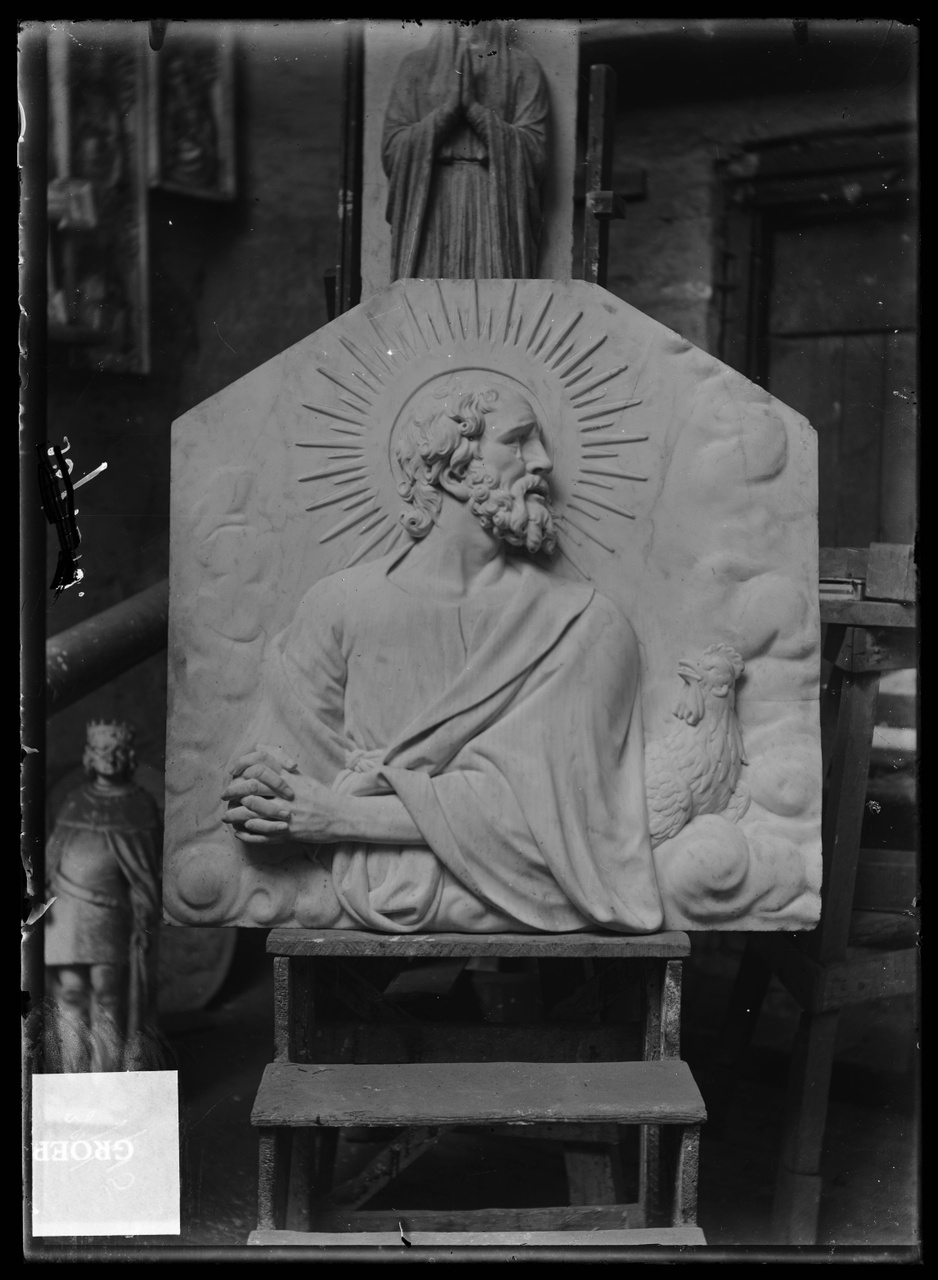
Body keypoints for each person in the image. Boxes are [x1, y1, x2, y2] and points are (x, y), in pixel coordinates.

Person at [221, 379, 663, 934]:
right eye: (518, 441)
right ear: (453, 475)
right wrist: (264, 795)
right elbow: (265, 804)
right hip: (380, 904)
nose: (544, 462)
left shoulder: (587, 627)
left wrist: (341, 816)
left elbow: (566, 822)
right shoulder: (340, 607)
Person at [382, 22, 549, 279]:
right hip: (432, 200)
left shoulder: (523, 67)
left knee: (496, 297)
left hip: (494, 200)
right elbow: (393, 149)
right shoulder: (415, 66)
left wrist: (474, 110)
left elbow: (535, 151)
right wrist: (447, 113)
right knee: (427, 297)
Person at [45, 722, 162, 1065]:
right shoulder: (75, 801)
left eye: (116, 751)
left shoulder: (140, 804)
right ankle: (72, 1076)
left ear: (128, 757)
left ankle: (106, 1077)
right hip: (66, 909)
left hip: (109, 913)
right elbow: (52, 855)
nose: (108, 758)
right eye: (100, 751)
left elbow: (145, 870)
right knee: (69, 992)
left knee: (108, 993)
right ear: (89, 757)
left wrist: (143, 912)